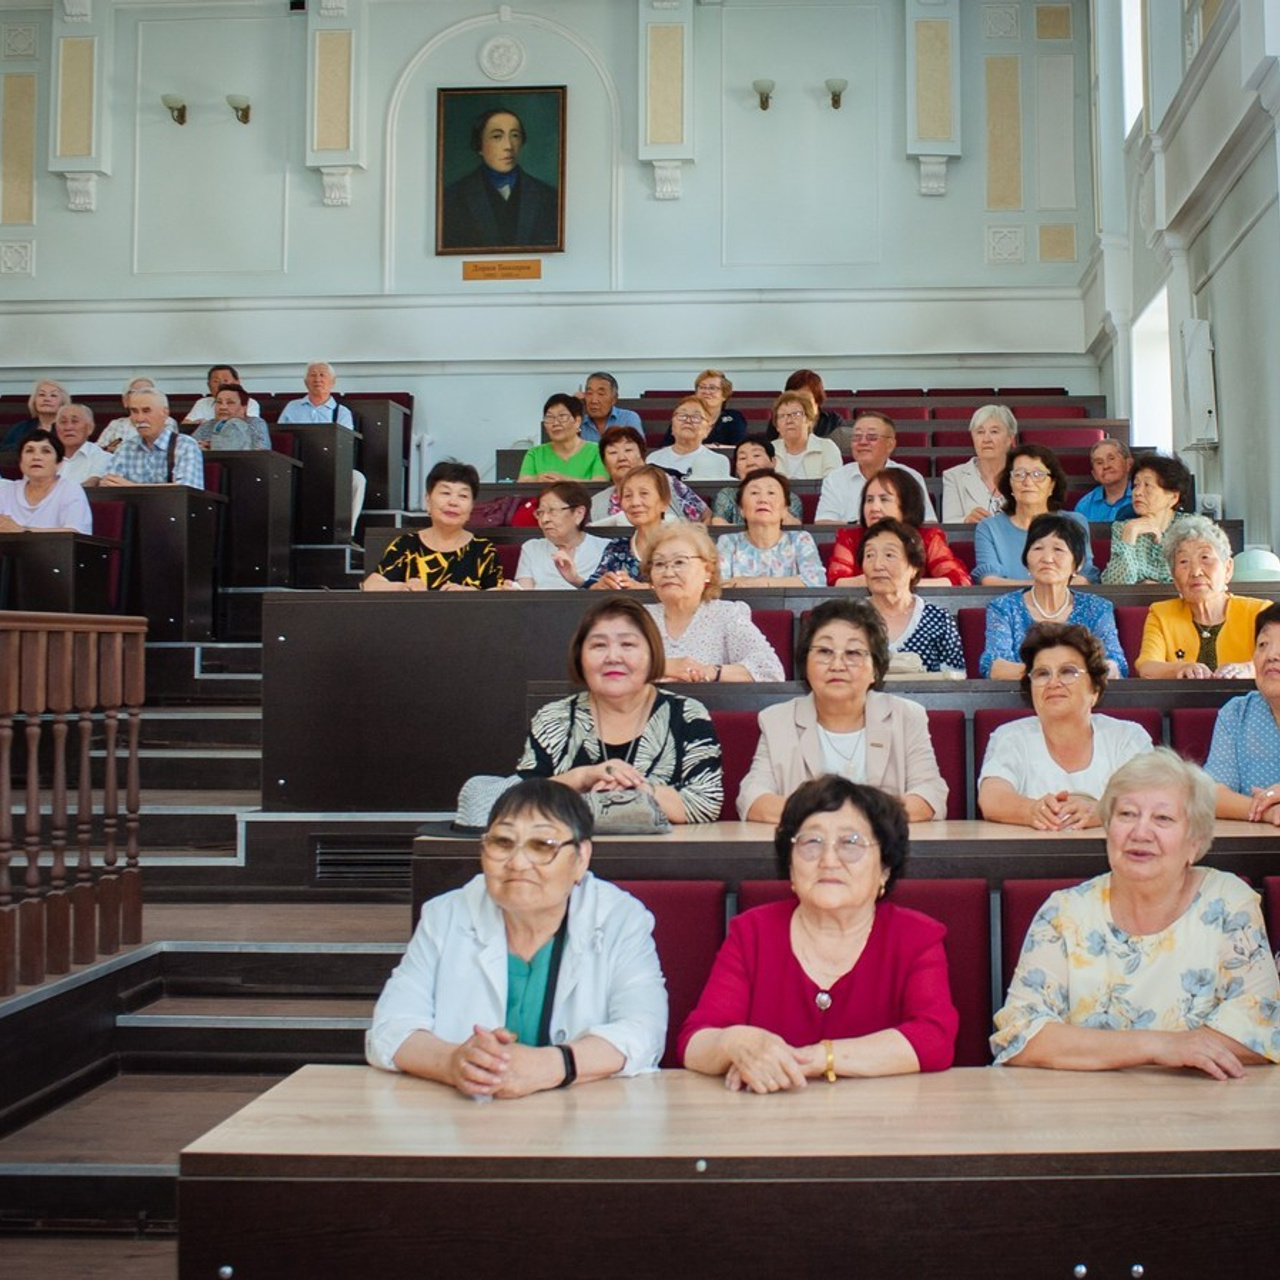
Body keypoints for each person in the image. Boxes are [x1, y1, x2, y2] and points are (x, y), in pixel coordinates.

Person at [366, 777, 666, 1096]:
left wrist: (552, 1065)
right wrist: (454, 1063)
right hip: (463, 1124)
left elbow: (645, 1033)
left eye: (542, 846)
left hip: (584, 1122)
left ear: (581, 858)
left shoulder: (620, 918)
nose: (518, 863)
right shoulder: (446, 915)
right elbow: (389, 1030)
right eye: (503, 843)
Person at [992, 749, 1280, 1074]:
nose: (1140, 833)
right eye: (1127, 814)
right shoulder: (1064, 912)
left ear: (1194, 844)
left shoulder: (1229, 904)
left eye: (1163, 819)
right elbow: (1021, 1035)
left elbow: (1259, 1029)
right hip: (1084, 1111)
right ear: (1107, 827)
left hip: (1201, 1108)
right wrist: (1158, 1046)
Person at [680, 776, 958, 1089]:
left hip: (884, 1126)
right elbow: (695, 1042)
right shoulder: (753, 933)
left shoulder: (915, 938)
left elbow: (934, 1039)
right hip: (769, 1127)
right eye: (811, 843)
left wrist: (815, 1059)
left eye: (850, 843)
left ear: (885, 868)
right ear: (790, 865)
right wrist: (734, 1043)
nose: (828, 861)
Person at [736, 600, 948, 823]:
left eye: (853, 652)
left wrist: (847, 814)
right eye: (825, 651)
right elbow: (752, 798)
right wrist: (841, 816)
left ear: (875, 670)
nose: (837, 664)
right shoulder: (777, 720)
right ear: (805, 664)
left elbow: (930, 794)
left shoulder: (906, 716)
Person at [516, 596, 724, 824]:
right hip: (567, 855)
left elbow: (706, 805)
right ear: (579, 656)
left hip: (666, 856)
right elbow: (520, 803)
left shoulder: (688, 715)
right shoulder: (553, 719)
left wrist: (639, 790)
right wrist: (584, 777)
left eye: (628, 645)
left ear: (652, 653)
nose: (613, 657)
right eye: (599, 645)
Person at [978, 622, 1151, 830]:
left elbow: (1148, 798)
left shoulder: (1128, 737)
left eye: (1067, 672)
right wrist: (1032, 810)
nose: (1053, 683)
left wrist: (1099, 811)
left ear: (1095, 690)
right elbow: (991, 799)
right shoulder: (1010, 736)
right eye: (1042, 673)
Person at [979, 513, 1126, 679]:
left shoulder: (1097, 608)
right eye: (1038, 548)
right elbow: (994, 666)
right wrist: (1058, 674)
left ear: (1078, 563)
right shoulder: (1004, 607)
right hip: (1019, 701)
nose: (1047, 558)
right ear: (1026, 560)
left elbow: (1115, 664)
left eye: (1058, 549)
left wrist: (1048, 674)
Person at [641, 523, 786, 682]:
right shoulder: (638, 618)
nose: (668, 572)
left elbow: (770, 671)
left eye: (679, 562)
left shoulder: (726, 614)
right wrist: (663, 667)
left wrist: (707, 671)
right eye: (659, 564)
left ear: (708, 571)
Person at [1135, 516, 1269, 679]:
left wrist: (1249, 669)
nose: (1195, 571)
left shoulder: (1260, 612)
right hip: (1183, 702)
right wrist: (1181, 668)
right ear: (1175, 579)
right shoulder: (1161, 614)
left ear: (1227, 569)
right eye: (1184, 562)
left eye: (1205, 558)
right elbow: (1147, 667)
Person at [363, 460, 502, 591]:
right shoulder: (407, 545)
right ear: (428, 500)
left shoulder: (483, 549)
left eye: (463, 496)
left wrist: (468, 593)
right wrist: (403, 587)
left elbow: (498, 596)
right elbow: (370, 585)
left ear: (472, 506)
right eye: (446, 493)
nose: (453, 502)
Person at [973, 444, 1098, 584]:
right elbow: (989, 580)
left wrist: (1046, 591)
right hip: (1009, 604)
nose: (1028, 482)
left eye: (1038, 474)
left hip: (1067, 603)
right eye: (1019, 474)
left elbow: (1085, 576)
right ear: (1010, 484)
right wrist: (1042, 589)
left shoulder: (1074, 522)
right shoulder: (989, 528)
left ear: (1052, 485)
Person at [439, 107, 559, 252]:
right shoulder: (452, 198)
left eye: (515, 135)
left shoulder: (549, 197)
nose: (508, 146)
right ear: (479, 146)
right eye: (497, 137)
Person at [827, 467, 970, 587]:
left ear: (906, 504)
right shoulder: (850, 537)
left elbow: (957, 580)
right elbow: (837, 582)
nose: (874, 507)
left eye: (884, 499)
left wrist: (902, 583)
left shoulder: (927, 537)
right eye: (869, 500)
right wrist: (878, 582)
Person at [858, 519, 965, 674]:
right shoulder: (848, 619)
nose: (877, 565)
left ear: (914, 567)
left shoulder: (938, 619)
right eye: (869, 555)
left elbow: (956, 683)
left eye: (889, 555)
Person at [1206, 604, 1280, 823]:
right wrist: (1268, 811)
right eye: (1263, 645)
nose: (1271, 655)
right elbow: (1211, 794)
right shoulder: (1237, 713)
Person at [815, 411, 937, 524]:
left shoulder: (911, 478)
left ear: (890, 445)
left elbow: (928, 523)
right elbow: (824, 523)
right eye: (857, 436)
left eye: (872, 436)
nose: (862, 442)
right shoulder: (836, 478)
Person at [716, 470, 825, 588]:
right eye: (754, 493)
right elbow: (718, 586)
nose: (763, 499)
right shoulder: (728, 541)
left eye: (771, 493)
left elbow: (816, 582)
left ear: (785, 510)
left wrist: (761, 583)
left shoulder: (800, 539)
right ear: (741, 509)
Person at [589, 426, 708, 526]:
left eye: (628, 450)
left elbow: (704, 516)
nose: (622, 458)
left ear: (642, 456)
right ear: (604, 463)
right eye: (613, 452)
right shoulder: (596, 502)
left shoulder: (666, 483)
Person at [1101, 454, 1192, 585]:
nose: (1137, 492)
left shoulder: (1191, 529)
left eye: (1147, 485)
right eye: (1136, 485)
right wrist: (1129, 535)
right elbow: (1116, 585)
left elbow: (1193, 578)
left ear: (1173, 497)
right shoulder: (1123, 528)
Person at [581, 465, 672, 589]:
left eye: (644, 493)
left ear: (664, 502)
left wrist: (644, 589)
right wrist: (600, 585)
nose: (635, 502)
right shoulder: (618, 547)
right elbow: (588, 588)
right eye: (628, 496)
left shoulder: (681, 545)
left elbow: (692, 587)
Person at [512, 481, 609, 589]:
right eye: (540, 512)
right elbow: (524, 596)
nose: (544, 519)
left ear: (579, 513)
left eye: (552, 511)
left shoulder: (606, 548)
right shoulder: (531, 548)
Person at [100, 389, 204, 489]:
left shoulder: (185, 445)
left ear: (165, 413)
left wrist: (131, 487)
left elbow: (187, 488)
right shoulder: (126, 447)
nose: (140, 418)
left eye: (146, 411)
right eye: (134, 411)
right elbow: (108, 483)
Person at [0, 430, 92, 535]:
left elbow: (75, 533)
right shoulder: (5, 491)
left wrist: (23, 531)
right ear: (20, 462)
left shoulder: (70, 489)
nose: (36, 457)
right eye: (29, 451)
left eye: (46, 451)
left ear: (59, 463)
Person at [939, 404, 1017, 524]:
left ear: (1010, 439)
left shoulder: (1023, 475)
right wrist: (966, 521)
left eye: (994, 431)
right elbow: (949, 525)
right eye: (980, 432)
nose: (986, 439)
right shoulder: (954, 476)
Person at [710, 439, 803, 525]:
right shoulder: (728, 494)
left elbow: (794, 526)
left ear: (773, 462)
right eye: (742, 458)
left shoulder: (788, 497)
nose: (750, 463)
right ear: (736, 469)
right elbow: (718, 523)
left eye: (756, 455)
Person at [518, 393, 607, 481]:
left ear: (577, 421)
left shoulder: (598, 451)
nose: (556, 423)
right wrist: (537, 479)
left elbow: (599, 483)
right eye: (549, 418)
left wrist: (564, 482)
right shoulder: (535, 454)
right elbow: (521, 485)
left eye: (562, 417)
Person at [646, 398, 731, 480]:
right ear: (672, 426)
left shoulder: (717, 461)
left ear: (708, 430)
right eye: (682, 415)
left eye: (696, 417)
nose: (688, 421)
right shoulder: (654, 459)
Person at [768, 389, 842, 480]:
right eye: (782, 416)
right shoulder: (769, 450)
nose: (789, 421)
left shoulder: (827, 447)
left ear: (809, 420)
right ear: (777, 426)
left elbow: (834, 486)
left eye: (796, 414)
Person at [669, 369, 746, 447]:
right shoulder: (683, 417)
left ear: (724, 395)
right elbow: (666, 448)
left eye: (712, 388)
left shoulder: (733, 418)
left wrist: (716, 447)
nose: (706, 391)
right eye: (702, 387)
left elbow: (741, 448)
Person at [191, 383, 272, 452]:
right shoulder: (207, 425)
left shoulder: (255, 423)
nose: (223, 407)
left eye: (230, 402)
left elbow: (261, 452)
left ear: (244, 407)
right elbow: (189, 448)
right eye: (219, 402)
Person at [1072, 436, 1135, 524]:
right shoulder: (1084, 506)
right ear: (1094, 475)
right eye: (1099, 463)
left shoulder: (1143, 497)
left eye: (1111, 458)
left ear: (1129, 464)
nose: (1106, 466)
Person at [96, 377, 167, 453]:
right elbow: (98, 451)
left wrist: (119, 450)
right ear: (125, 400)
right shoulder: (116, 424)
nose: (141, 396)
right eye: (135, 392)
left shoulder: (165, 421)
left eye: (148, 392)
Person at [276, 361, 355, 429]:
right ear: (305, 382)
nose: (317, 380)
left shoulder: (342, 412)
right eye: (313, 375)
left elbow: (344, 443)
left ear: (333, 382)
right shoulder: (292, 407)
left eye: (322, 375)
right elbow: (281, 434)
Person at [1, 379, 70, 451]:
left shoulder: (69, 428)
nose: (47, 399)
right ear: (34, 401)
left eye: (53, 395)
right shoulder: (21, 428)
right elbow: (4, 452)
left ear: (62, 403)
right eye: (41, 395)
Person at [182, 365, 262, 424]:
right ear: (208, 385)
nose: (221, 384)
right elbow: (186, 425)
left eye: (226, 380)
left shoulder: (249, 403)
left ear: (237, 382)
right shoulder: (202, 403)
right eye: (216, 381)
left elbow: (252, 426)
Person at [55, 404, 110, 487]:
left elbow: (92, 484)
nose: (68, 427)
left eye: (75, 421)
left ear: (90, 428)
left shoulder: (102, 458)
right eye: (63, 422)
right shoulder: (46, 456)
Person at [579, 371, 641, 444]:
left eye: (601, 394)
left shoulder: (628, 419)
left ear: (614, 399)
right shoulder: (578, 423)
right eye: (589, 393)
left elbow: (637, 450)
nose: (594, 400)